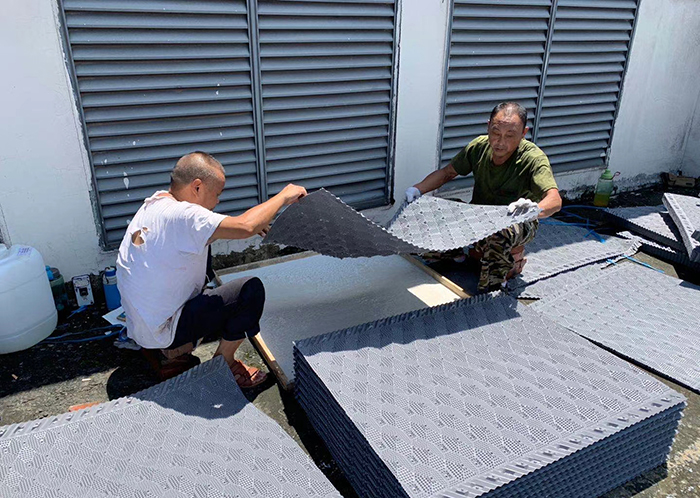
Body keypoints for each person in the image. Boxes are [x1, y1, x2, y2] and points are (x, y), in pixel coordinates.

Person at [116, 151, 307, 388]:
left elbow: (206, 229)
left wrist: (238, 226)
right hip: (163, 331)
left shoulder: (154, 205)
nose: (217, 202)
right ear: (197, 187)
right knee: (250, 290)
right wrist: (284, 196)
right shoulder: (184, 215)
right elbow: (246, 226)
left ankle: (172, 351)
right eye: (217, 194)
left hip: (141, 327)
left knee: (204, 256)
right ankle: (223, 363)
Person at [405, 102, 562, 292]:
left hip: (515, 222)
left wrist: (533, 210)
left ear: (523, 133)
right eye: (495, 132)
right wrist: (417, 189)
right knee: (434, 210)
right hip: (480, 216)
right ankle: (455, 255)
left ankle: (493, 286)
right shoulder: (479, 147)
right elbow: (447, 173)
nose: (500, 142)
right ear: (488, 127)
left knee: (501, 232)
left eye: (510, 135)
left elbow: (555, 200)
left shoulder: (533, 158)